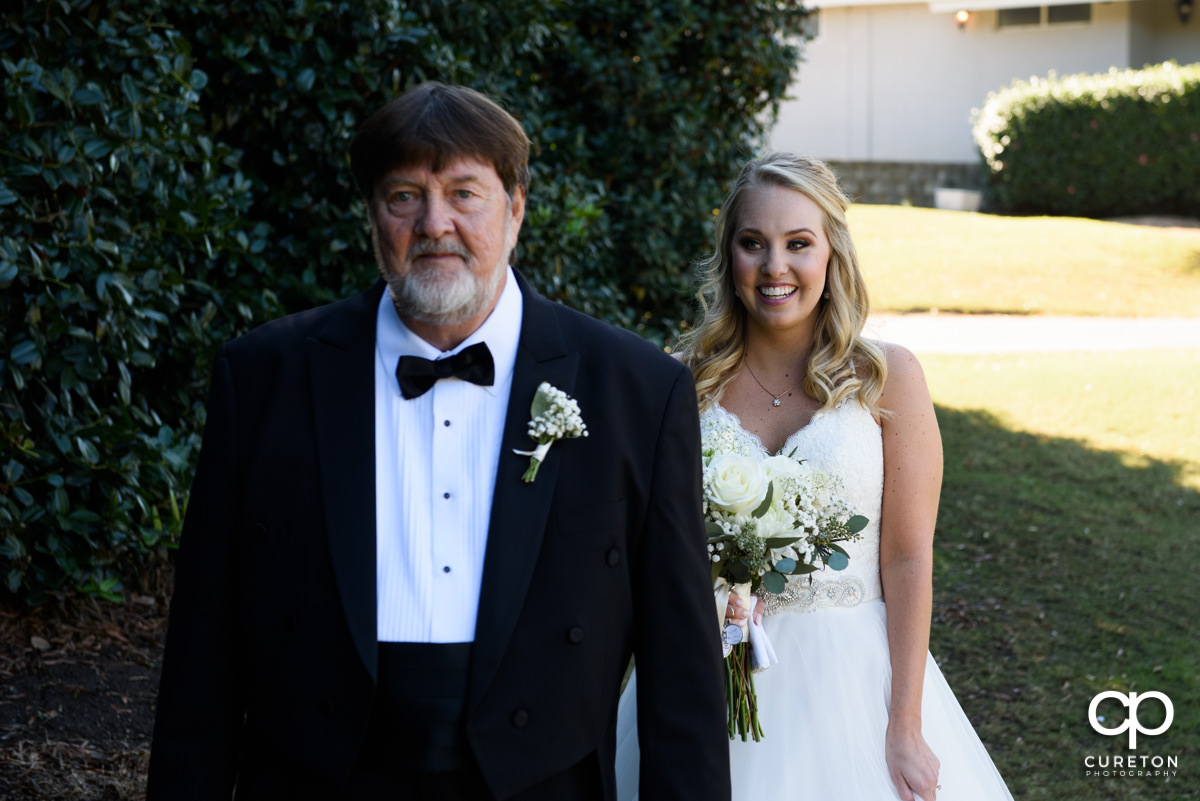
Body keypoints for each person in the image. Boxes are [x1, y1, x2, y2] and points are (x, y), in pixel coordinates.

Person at [147, 81, 731, 801]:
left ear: (516, 209)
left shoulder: (636, 390)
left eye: (464, 193)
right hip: (315, 777)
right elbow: (204, 651)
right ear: (372, 217)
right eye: (403, 197)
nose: (434, 223)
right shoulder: (263, 377)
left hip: (543, 782)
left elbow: (682, 673)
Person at [615, 153, 1012, 801]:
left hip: (853, 678)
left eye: (798, 243)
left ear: (832, 254)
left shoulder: (888, 378)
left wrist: (904, 721)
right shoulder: (678, 380)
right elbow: (645, 547)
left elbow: (909, 557)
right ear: (729, 256)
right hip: (706, 671)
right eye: (753, 244)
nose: (775, 267)